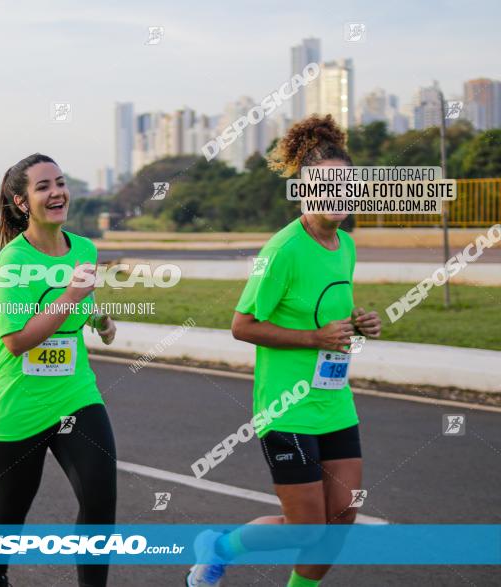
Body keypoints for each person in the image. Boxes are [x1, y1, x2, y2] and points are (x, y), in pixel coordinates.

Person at [187, 115, 382, 586]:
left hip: (334, 403)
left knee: (342, 520)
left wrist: (360, 323)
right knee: (309, 528)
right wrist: (314, 340)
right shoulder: (282, 250)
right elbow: (242, 325)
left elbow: (327, 314)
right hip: (286, 407)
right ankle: (219, 547)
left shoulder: (346, 245)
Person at [0, 153, 118, 587]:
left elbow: (77, 305)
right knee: (11, 509)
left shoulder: (86, 249)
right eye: (42, 186)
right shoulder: (13, 262)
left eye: (59, 182)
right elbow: (17, 339)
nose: (56, 192)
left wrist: (99, 319)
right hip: (15, 404)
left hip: (74, 395)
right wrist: (74, 297)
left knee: (99, 499)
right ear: (21, 202)